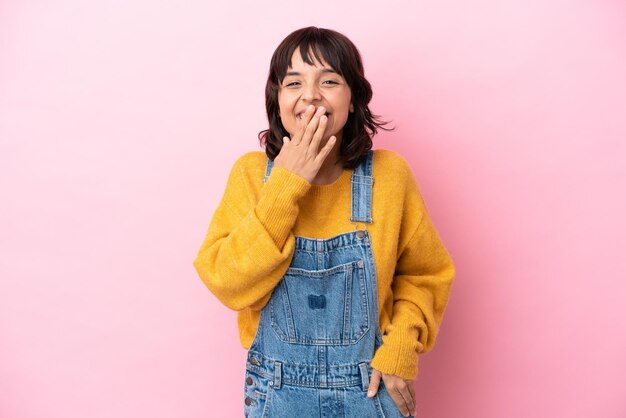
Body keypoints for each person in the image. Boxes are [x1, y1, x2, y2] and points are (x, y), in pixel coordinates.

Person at [193, 26, 455, 418]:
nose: (311, 94)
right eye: (293, 82)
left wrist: (402, 345)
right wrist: (287, 183)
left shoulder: (389, 176)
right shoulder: (252, 176)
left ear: (352, 100)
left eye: (329, 80)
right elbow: (229, 283)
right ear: (278, 100)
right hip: (277, 395)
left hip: (370, 391)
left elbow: (424, 274)